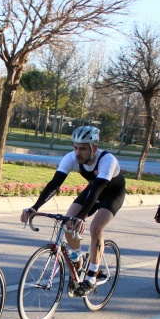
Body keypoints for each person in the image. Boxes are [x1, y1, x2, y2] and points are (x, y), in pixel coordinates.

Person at [20, 125, 126, 297]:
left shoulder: (107, 160)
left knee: (96, 228)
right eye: (75, 147)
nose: (78, 153)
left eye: (83, 148)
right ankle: (76, 259)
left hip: (111, 193)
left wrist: (82, 216)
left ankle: (92, 276)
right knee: (68, 222)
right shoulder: (71, 158)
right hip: (93, 190)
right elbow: (54, 184)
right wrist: (35, 207)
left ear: (94, 148)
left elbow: (99, 188)